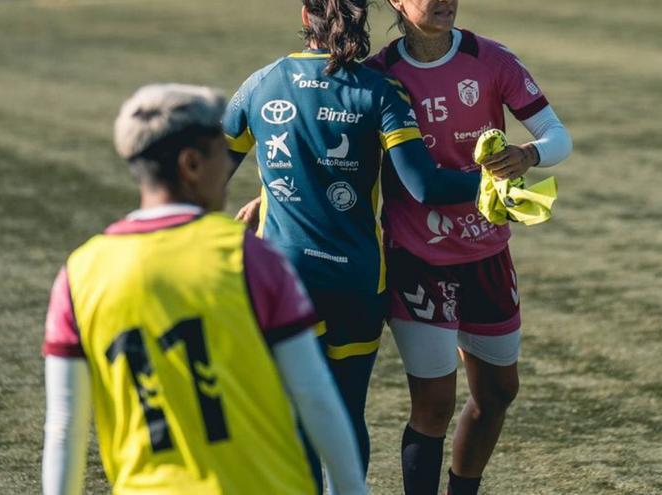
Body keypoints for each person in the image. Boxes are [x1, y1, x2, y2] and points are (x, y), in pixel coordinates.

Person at [41, 84, 367, 495]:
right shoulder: (249, 258)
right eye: (221, 154)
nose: (228, 169)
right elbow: (315, 395)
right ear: (191, 164)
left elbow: (65, 427)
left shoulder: (79, 273)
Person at [223, 0, 487, 489]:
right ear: (362, 19)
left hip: (280, 282)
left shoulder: (262, 83)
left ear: (305, 18)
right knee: (345, 414)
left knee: (289, 415)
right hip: (356, 282)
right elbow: (424, 186)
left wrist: (267, 194)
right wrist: (492, 186)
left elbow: (209, 173)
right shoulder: (381, 90)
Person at [365, 1, 574, 494]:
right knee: (434, 404)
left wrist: (528, 154)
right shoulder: (380, 74)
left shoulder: (492, 59)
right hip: (419, 259)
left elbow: (557, 136)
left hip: (487, 253)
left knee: (499, 391)